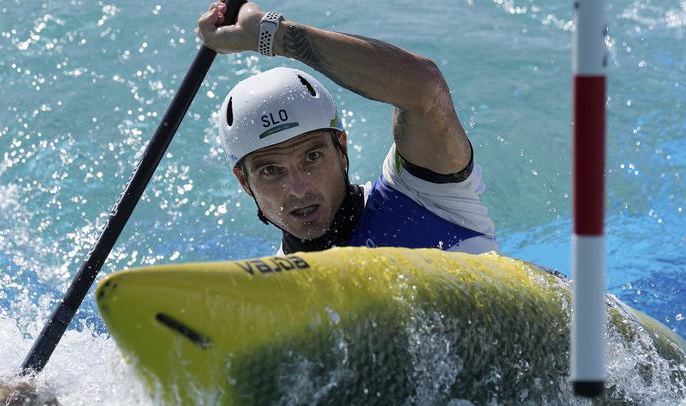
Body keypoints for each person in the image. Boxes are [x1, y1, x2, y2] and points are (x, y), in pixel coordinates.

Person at [197, 2, 498, 255]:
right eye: (271, 171)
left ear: (341, 149)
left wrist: (270, 35)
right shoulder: (271, 290)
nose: (299, 189)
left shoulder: (426, 196)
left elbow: (425, 90)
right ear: (244, 182)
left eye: (312, 157)